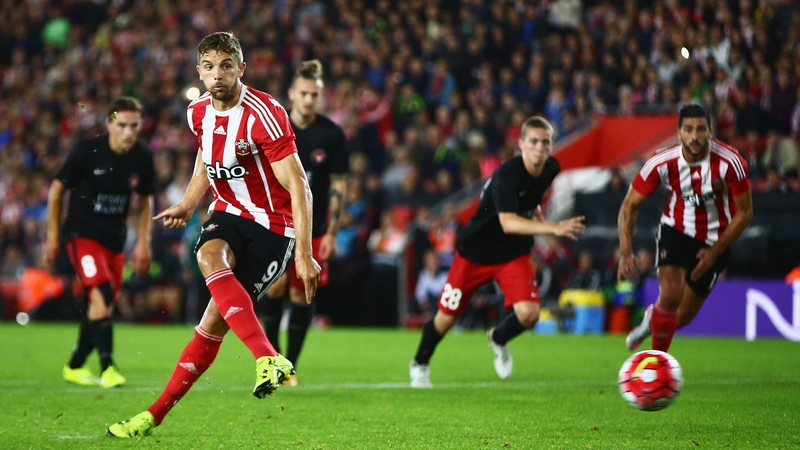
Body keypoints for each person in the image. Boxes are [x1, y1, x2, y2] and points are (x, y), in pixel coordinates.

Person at [107, 31, 320, 438]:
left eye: (226, 65)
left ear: (241, 68)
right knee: (208, 255)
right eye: (208, 67)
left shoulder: (266, 113)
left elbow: (300, 187)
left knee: (212, 323)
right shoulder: (198, 112)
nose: (217, 74)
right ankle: (266, 357)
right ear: (199, 72)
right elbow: (207, 154)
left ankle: (155, 414)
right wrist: (189, 203)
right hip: (227, 211)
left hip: (274, 226)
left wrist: (304, 254)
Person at [408, 116, 585, 387]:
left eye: (545, 142)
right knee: (445, 319)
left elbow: (531, 195)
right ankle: (420, 362)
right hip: (475, 252)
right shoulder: (507, 174)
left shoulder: (551, 168)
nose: (539, 147)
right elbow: (507, 222)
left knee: (529, 314)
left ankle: (498, 339)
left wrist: (533, 208)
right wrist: (553, 228)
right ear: (521, 144)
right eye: (533, 141)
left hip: (512, 254)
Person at [618, 104, 753, 352]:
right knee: (670, 296)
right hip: (676, 229)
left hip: (716, 240)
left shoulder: (730, 162)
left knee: (682, 317)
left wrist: (715, 251)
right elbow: (629, 206)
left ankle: (652, 318)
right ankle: (656, 364)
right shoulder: (661, 161)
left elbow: (745, 212)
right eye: (688, 129)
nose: (694, 136)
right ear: (678, 133)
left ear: (710, 131)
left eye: (701, 129)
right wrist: (626, 251)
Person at [43, 96, 155, 389]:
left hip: (115, 241)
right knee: (102, 293)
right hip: (82, 234)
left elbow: (145, 201)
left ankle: (75, 364)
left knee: (100, 305)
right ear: (109, 124)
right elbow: (57, 189)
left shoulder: (142, 156)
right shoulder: (87, 151)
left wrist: (143, 241)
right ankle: (108, 368)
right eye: (122, 125)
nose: (128, 132)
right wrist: (53, 235)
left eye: (134, 126)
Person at [262, 59, 348, 386]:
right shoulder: (275, 127)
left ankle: (289, 367)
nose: (309, 99)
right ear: (291, 94)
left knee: (302, 296)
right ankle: (271, 358)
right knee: (275, 286)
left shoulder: (332, 134)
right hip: (276, 222)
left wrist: (332, 231)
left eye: (314, 94)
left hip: (313, 228)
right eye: (304, 93)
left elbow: (338, 184)